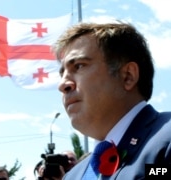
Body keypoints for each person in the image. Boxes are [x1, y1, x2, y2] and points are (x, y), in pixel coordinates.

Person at [52, 22, 171, 179]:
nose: (63, 85)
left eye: (79, 66)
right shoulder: (73, 175)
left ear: (128, 75)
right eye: (62, 74)